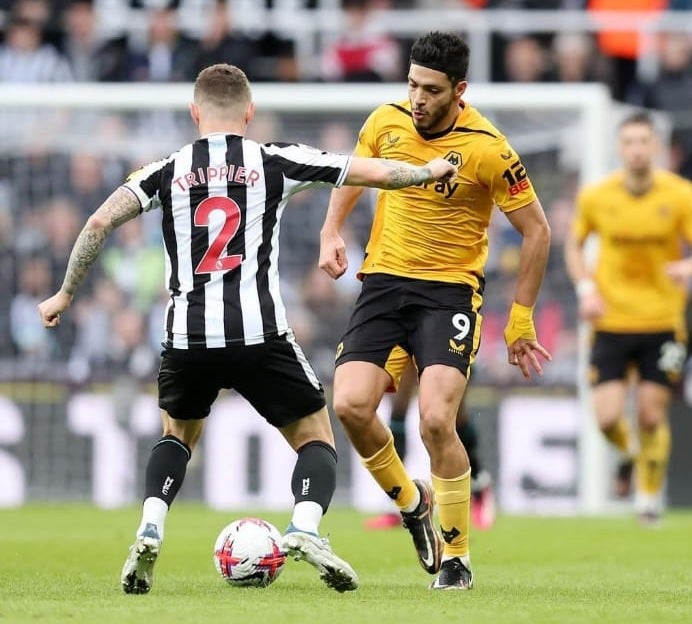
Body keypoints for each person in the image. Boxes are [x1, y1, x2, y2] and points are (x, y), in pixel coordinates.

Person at [36, 63, 458, 595]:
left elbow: (98, 223)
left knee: (177, 435)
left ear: (195, 112)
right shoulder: (273, 159)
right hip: (259, 335)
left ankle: (150, 525)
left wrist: (64, 293)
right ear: (249, 112)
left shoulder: (163, 169)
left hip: (187, 337)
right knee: (315, 437)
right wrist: (430, 170)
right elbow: (370, 172)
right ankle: (304, 528)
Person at [319, 32, 552, 590]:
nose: (417, 99)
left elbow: (538, 231)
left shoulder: (488, 148)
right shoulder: (386, 121)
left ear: (459, 90)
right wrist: (331, 230)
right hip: (382, 284)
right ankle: (411, 500)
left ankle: (456, 559)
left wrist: (520, 319)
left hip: (448, 292)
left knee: (435, 420)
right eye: (412, 86)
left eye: (430, 90)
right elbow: (353, 172)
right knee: (350, 405)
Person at [564, 110, 692, 526]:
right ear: (619, 148)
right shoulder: (597, 196)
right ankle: (632, 457)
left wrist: (690, 267)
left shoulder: (680, 194)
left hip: (663, 320)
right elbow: (574, 246)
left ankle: (647, 501)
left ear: (657, 147)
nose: (636, 150)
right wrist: (585, 289)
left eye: (643, 142)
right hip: (610, 320)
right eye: (629, 142)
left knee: (651, 414)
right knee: (607, 418)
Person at [364, 366, 496, 532]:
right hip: (407, 341)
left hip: (445, 342)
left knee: (452, 414)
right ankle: (396, 502)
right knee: (398, 407)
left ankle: (478, 485)